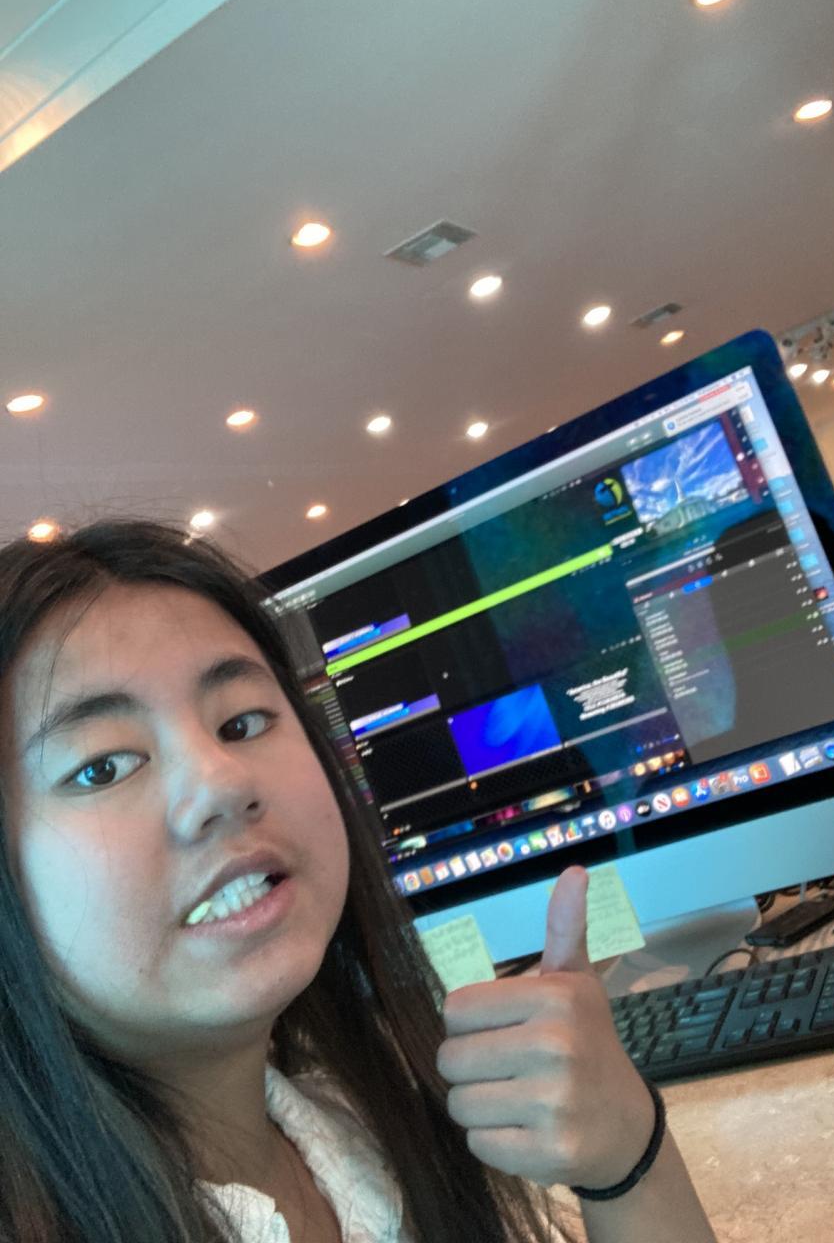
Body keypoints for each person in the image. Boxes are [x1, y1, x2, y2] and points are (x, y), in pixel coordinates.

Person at [0, 519, 716, 1243]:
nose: (221, 783)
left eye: (242, 723)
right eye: (101, 767)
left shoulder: (368, 1132)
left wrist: (628, 1158)